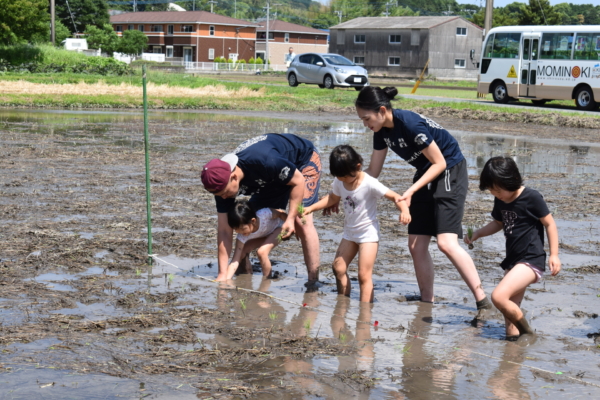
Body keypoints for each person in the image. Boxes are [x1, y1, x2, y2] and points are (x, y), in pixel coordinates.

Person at [352, 86, 491, 312]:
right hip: (426, 172)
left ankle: (482, 301)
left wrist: (410, 191)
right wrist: (347, 181)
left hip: (449, 169)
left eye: (366, 118)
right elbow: (373, 171)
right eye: (362, 120)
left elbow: (440, 163)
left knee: (446, 243)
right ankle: (427, 300)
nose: (365, 124)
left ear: (382, 110)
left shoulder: (409, 124)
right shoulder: (381, 132)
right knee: (416, 245)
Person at [201, 133, 321, 284]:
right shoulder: (220, 186)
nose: (224, 197)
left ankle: (313, 281)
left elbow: (298, 180)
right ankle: (244, 276)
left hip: (302, 161)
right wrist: (221, 274)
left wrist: (290, 219)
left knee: (301, 220)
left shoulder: (264, 161)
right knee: (248, 219)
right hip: (270, 178)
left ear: (234, 177)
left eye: (225, 193)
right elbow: (225, 230)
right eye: (219, 195)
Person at [464, 156, 560, 339]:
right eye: (491, 190)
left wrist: (554, 254)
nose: (495, 194)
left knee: (498, 297)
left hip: (530, 259)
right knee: (509, 321)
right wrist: (478, 233)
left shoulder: (532, 197)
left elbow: (550, 224)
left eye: (498, 190)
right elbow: (498, 223)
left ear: (512, 180)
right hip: (513, 261)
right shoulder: (500, 200)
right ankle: (514, 347)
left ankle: (528, 333)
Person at [302, 145, 410, 303]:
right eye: (339, 177)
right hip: (350, 233)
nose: (341, 180)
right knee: (338, 268)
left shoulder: (370, 183)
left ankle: (365, 311)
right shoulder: (339, 180)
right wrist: (311, 208)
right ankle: (342, 303)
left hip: (368, 234)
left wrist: (404, 210)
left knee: (363, 275)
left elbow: (395, 197)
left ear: (357, 167)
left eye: (345, 177)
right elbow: (332, 198)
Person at [222, 200, 287, 280]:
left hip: (279, 228)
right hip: (265, 234)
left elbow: (280, 213)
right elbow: (235, 260)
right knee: (241, 252)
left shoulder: (264, 214)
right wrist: (226, 280)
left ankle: (266, 280)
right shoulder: (242, 235)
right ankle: (248, 274)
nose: (240, 232)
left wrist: (292, 226)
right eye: (236, 230)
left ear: (253, 221)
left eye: (243, 229)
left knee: (261, 252)